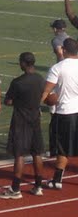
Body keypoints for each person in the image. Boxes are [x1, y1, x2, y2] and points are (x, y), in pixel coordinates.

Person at [0, 52, 45, 199]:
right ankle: (38, 186)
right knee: (36, 153)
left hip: (21, 121)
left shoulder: (18, 82)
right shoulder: (40, 79)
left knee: (19, 154)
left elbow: (8, 101)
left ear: (24, 63)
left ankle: (16, 188)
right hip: (35, 118)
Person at [41, 37, 78, 190]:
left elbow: (46, 92)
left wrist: (40, 104)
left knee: (62, 148)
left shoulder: (58, 67)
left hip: (65, 112)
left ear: (63, 50)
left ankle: (57, 179)